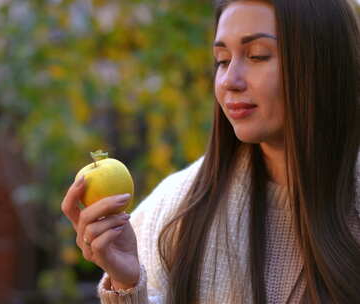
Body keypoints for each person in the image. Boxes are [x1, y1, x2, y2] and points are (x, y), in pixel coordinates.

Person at [61, 0, 360, 303]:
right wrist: (128, 283)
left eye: (257, 55)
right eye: (222, 59)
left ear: (323, 64)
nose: (230, 80)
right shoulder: (175, 212)